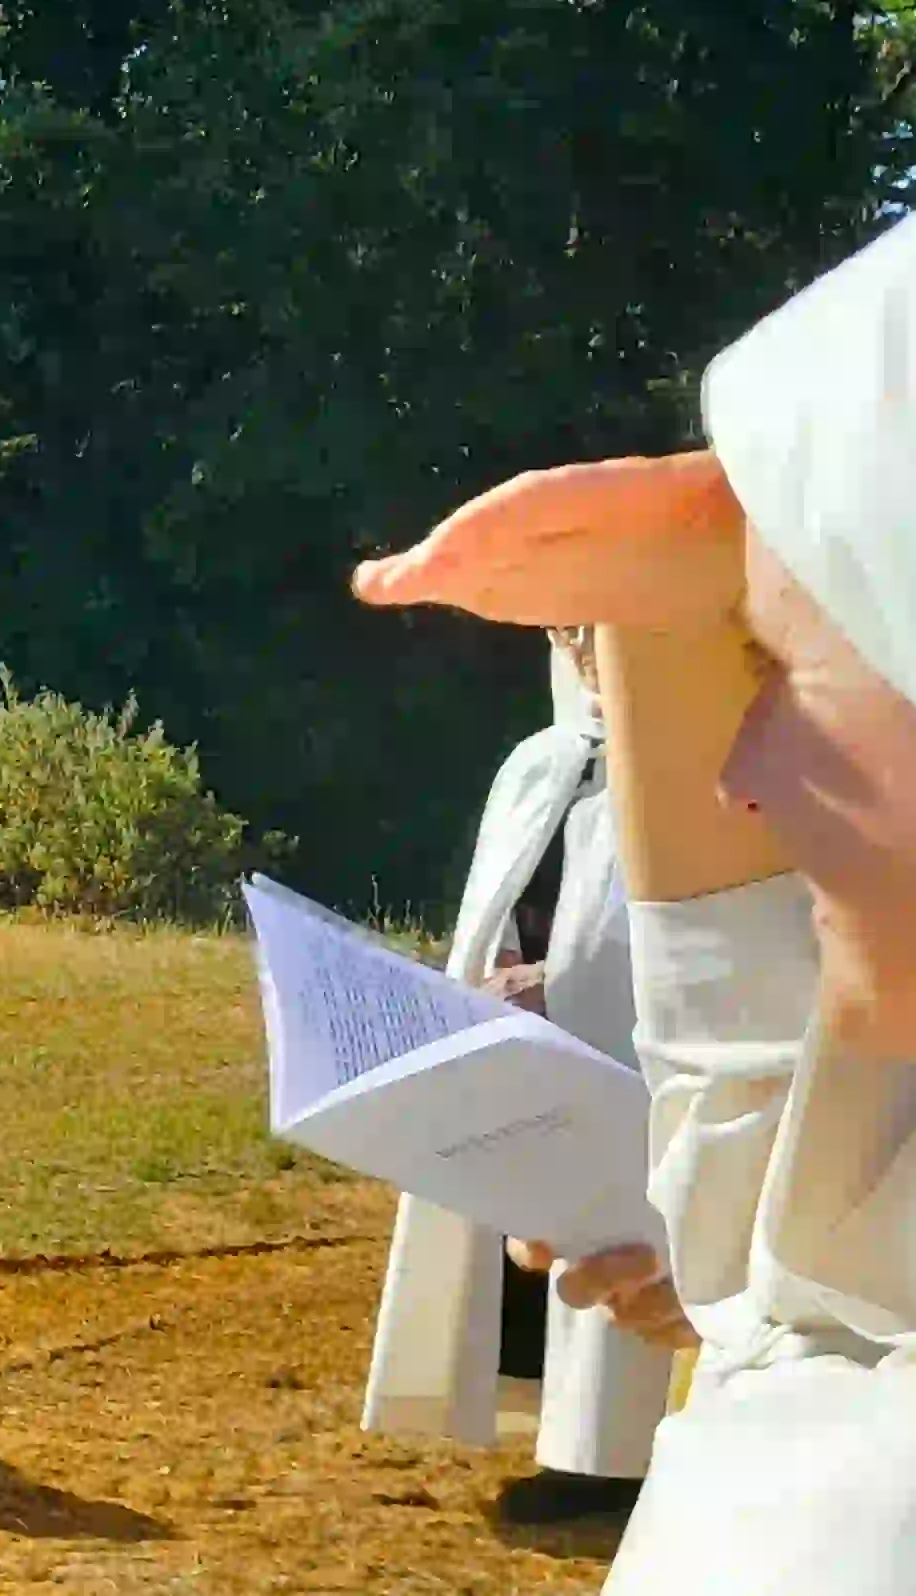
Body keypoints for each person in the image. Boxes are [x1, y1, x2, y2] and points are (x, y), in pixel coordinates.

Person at [355, 193, 916, 1590]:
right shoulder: (879, 1270)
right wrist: (682, 590)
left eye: (789, 669)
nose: (743, 776)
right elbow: (752, 1144)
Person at [358, 629, 666, 1520]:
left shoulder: (698, 764)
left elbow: (681, 948)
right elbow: (513, 908)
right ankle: (575, 1443)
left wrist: (557, 984)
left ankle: (621, 1457)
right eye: (565, 627)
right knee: (531, 1233)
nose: (580, 644)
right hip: (528, 1047)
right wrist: (495, 980)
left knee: (630, 1221)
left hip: (629, 1057)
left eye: (597, 622)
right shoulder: (540, 766)